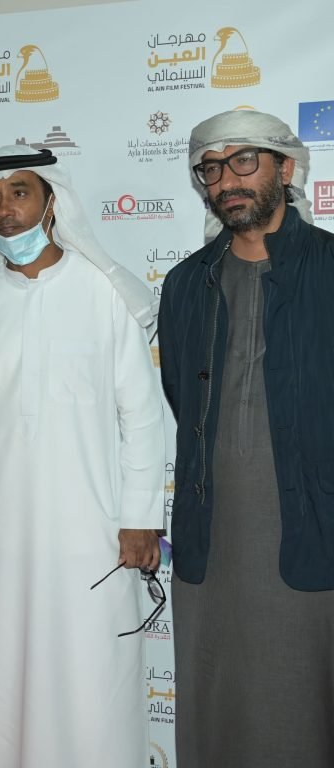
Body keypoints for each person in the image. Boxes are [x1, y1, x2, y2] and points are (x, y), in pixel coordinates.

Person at [0, 146, 165, 767]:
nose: (4, 210)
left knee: (92, 682)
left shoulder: (102, 291)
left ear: (52, 202)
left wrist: (140, 517)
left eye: (19, 192)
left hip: (88, 534)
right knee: (1, 682)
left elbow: (142, 414)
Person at [158, 108, 334, 767]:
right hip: (213, 535)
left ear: (285, 169)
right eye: (210, 168)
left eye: (244, 161)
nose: (226, 180)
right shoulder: (186, 284)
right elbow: (181, 396)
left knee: (306, 711)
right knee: (218, 711)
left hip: (316, 532)